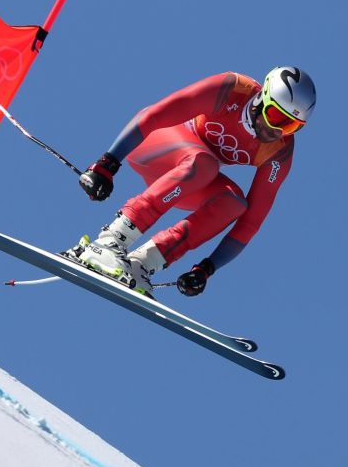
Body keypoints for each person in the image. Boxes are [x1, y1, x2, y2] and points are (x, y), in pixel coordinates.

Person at [63, 66, 316, 298]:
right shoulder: (233, 89)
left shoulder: (278, 151)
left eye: (291, 126)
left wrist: (207, 268)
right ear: (262, 98)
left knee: (235, 204)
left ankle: (143, 263)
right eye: (275, 116)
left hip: (189, 178)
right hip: (152, 144)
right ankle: (110, 241)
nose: (277, 131)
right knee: (204, 163)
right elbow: (154, 115)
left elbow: (251, 222)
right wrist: (107, 164)